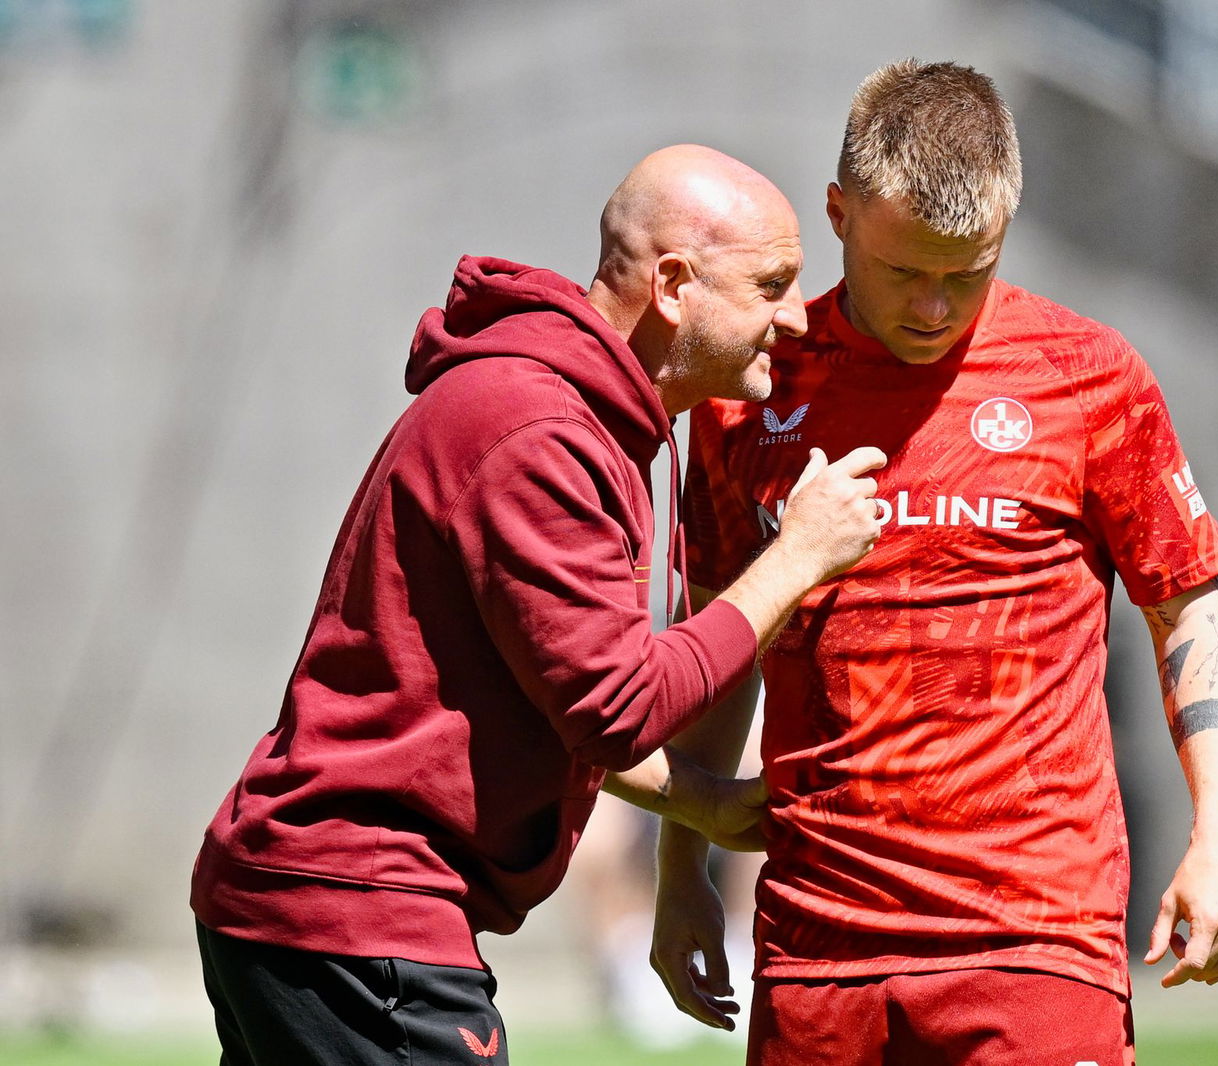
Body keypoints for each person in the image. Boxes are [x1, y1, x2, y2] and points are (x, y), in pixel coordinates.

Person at [190, 144, 888, 1066]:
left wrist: (705, 805)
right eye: (771, 285)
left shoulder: (567, 412)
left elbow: (549, 697)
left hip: (323, 909)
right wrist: (795, 558)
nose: (795, 318)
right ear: (675, 286)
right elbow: (619, 709)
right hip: (360, 915)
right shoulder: (541, 430)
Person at [652, 62, 1218, 1066]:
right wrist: (683, 870)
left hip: (1034, 939)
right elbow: (720, 635)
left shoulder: (1088, 378)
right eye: (905, 271)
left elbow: (1190, 609)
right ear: (839, 216)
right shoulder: (750, 389)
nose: (934, 305)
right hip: (817, 941)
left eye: (966, 270)